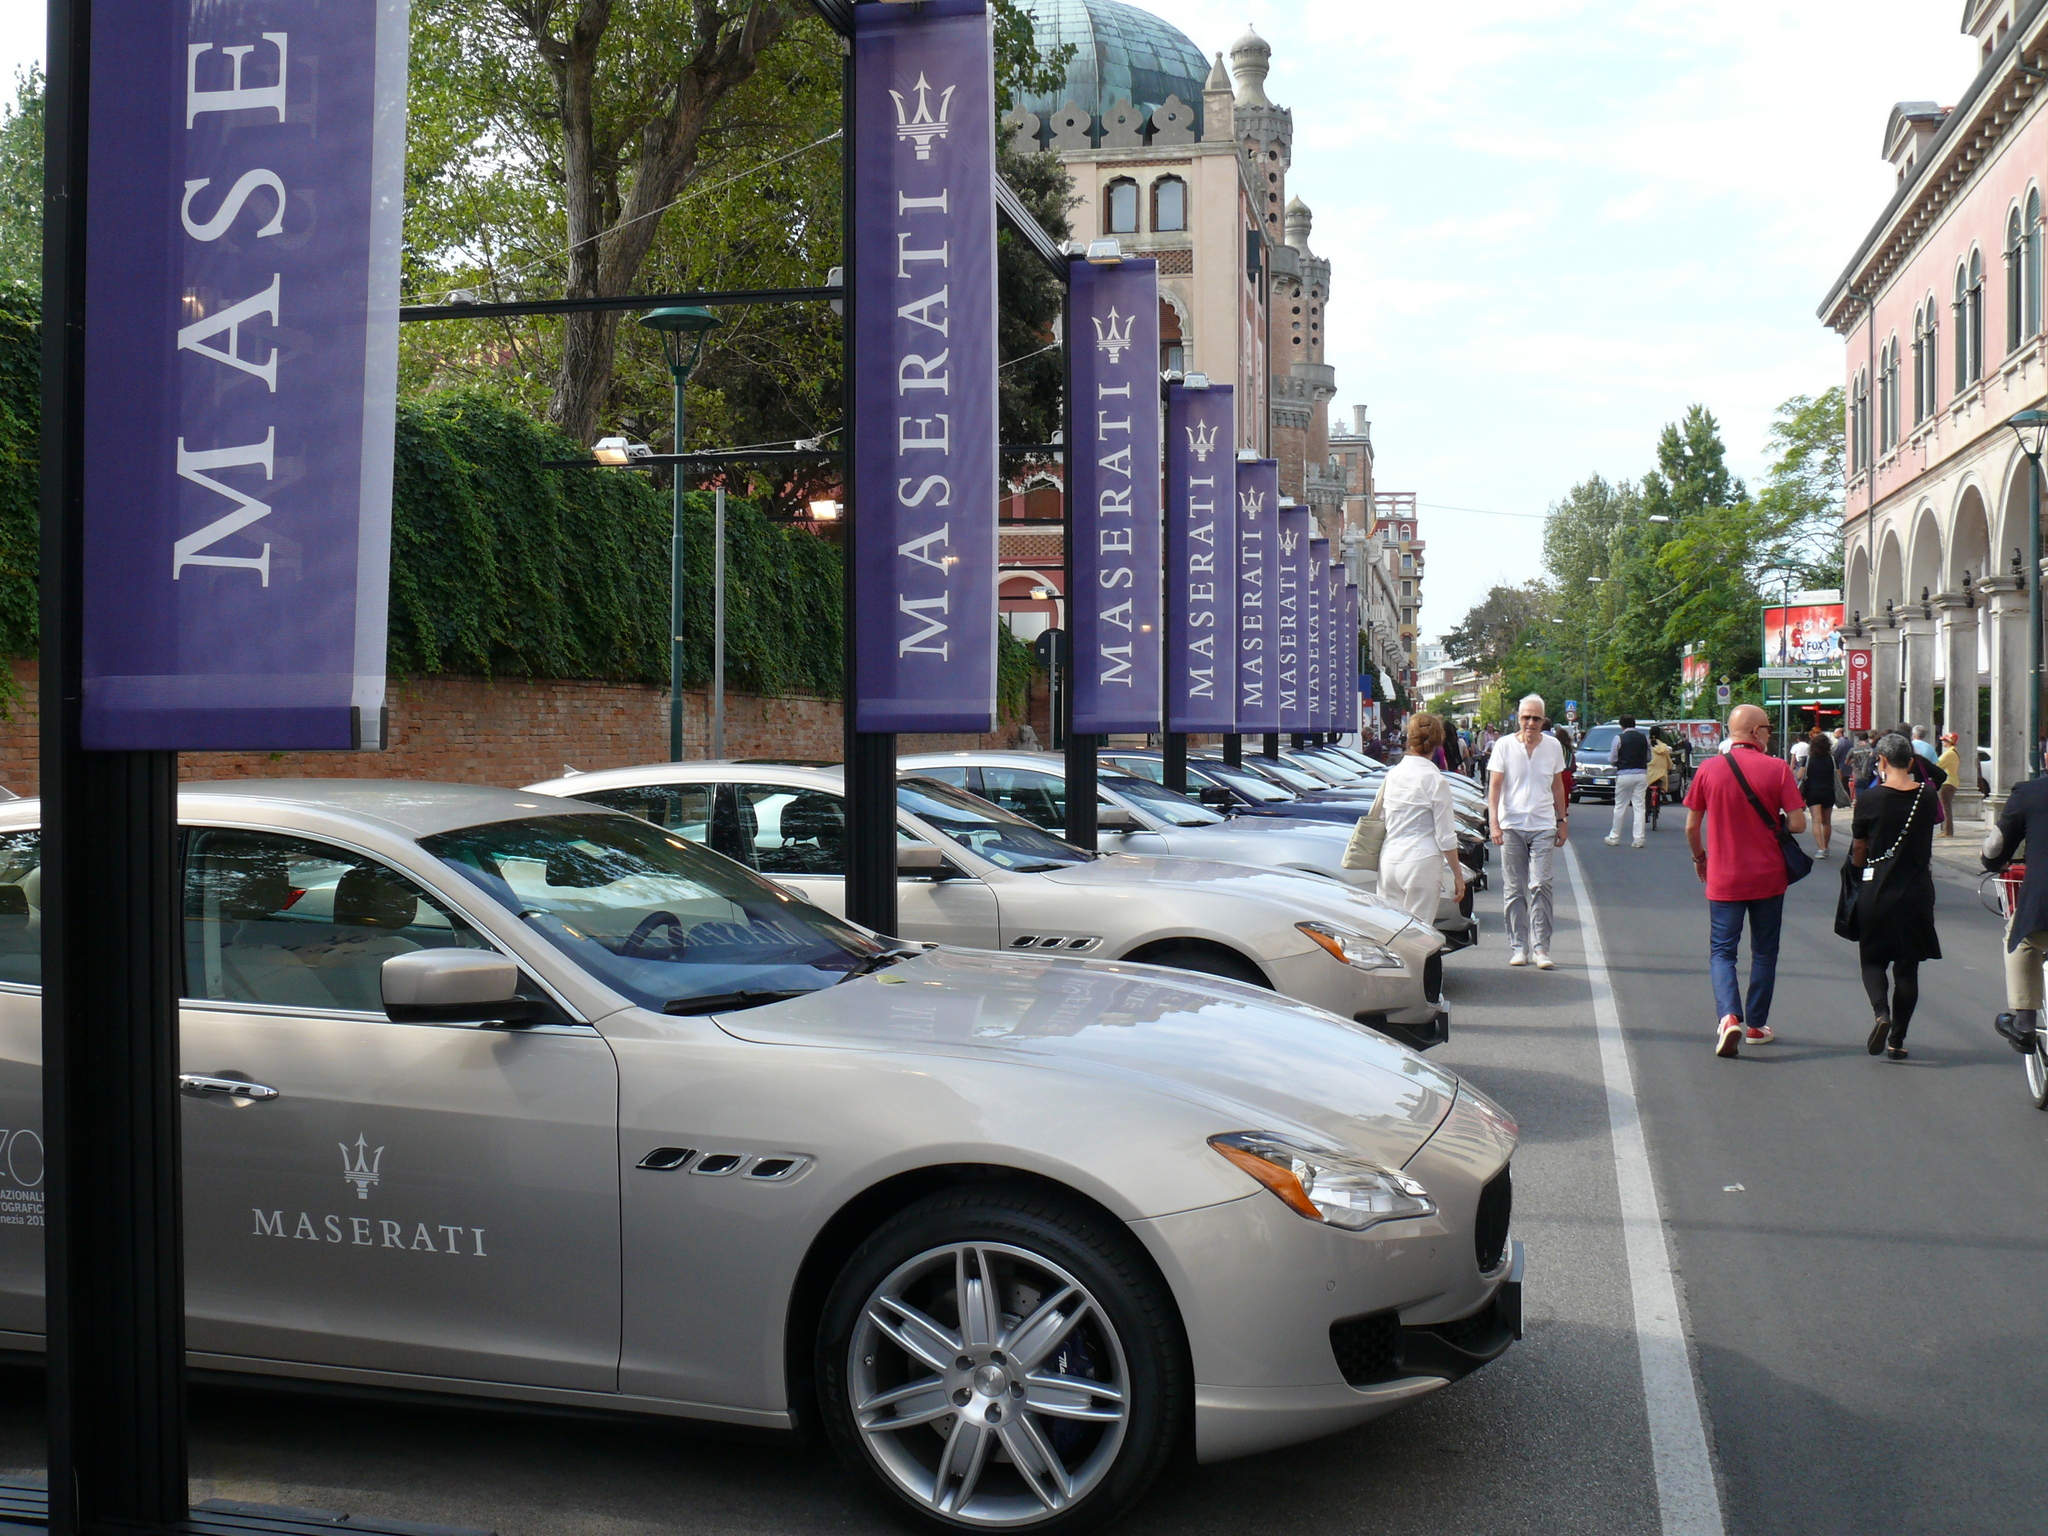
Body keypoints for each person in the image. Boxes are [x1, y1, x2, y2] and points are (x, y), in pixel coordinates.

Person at [1685, 704, 1808, 1058]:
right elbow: (1799, 824)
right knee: (1764, 951)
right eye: (1767, 728)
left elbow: (1692, 826)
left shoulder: (1708, 769)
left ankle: (1728, 1017)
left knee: (1722, 951)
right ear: (1756, 732)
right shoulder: (1777, 768)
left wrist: (1700, 858)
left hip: (1724, 877)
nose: (1769, 733)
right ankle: (1756, 1025)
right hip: (1769, 877)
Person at [1848, 733, 1941, 1061]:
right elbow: (1937, 780)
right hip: (1916, 892)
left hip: (1877, 890)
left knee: (1872, 959)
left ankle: (1881, 1014)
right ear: (1912, 761)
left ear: (1882, 761)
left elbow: (1860, 848)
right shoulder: (1927, 796)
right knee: (1907, 969)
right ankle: (1897, 1040)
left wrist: (1857, 869)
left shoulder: (1870, 800)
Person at [1488, 694, 1570, 971]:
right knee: (1514, 889)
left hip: (1543, 825)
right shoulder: (1504, 746)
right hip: (1511, 825)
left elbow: (1557, 785)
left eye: (1536, 718)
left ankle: (1541, 948)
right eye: (1526, 718)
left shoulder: (1553, 746)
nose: (1530, 723)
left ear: (1543, 720)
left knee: (1541, 885)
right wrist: (1494, 823)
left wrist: (1562, 820)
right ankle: (1518, 946)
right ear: (1518, 718)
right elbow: (1494, 787)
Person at [1375, 713, 1468, 926]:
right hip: (1422, 861)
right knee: (1418, 932)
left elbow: (1382, 818)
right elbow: (1445, 836)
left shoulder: (1392, 775)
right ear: (1438, 742)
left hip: (1389, 859)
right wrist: (1457, 874)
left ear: (1409, 738)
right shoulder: (1436, 780)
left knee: (1391, 930)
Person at [1985, 773, 2048, 1055]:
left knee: (2021, 939)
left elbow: (1996, 846)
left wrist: (1991, 861)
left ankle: (2024, 1024)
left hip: (2044, 912)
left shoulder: (2029, 793)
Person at [1605, 714, 1651, 849]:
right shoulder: (1644, 738)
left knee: (1620, 806)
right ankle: (1639, 839)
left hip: (1624, 774)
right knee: (1639, 807)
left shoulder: (1618, 738)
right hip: (1641, 774)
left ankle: (1614, 837)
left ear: (1621, 725)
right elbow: (1649, 757)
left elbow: (1612, 758)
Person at [1800, 725, 1840, 859]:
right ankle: (1826, 846)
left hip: (1812, 791)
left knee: (1816, 821)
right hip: (1828, 791)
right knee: (1826, 821)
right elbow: (1839, 776)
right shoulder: (1832, 759)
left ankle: (1820, 848)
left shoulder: (1808, 759)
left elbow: (1800, 775)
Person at [1647, 729, 1675, 831]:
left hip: (1649, 774)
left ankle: (1646, 810)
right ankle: (1662, 795)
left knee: (1646, 790)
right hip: (1661, 774)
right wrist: (1670, 767)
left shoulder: (1647, 746)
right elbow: (1668, 761)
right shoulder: (1664, 747)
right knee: (1660, 785)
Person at [1935, 732, 1960, 835]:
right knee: (1946, 806)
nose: (1942, 742)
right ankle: (1946, 830)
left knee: (1945, 807)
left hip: (1947, 783)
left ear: (1949, 741)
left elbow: (1937, 764)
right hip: (1951, 782)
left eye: (1944, 740)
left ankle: (1947, 831)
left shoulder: (1949, 753)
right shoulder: (1954, 752)